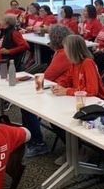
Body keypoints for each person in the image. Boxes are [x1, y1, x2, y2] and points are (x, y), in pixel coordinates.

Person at [21, 23, 72, 157]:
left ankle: (37, 143)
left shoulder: (62, 54)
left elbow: (47, 76)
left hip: (64, 93)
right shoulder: (64, 51)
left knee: (27, 105)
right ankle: (33, 140)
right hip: (61, 89)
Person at [52, 33, 104, 100]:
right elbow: (67, 80)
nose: (65, 51)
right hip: (81, 97)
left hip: (96, 100)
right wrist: (59, 86)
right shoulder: (74, 63)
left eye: (65, 48)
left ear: (72, 50)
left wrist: (67, 91)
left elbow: (92, 91)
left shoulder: (88, 63)